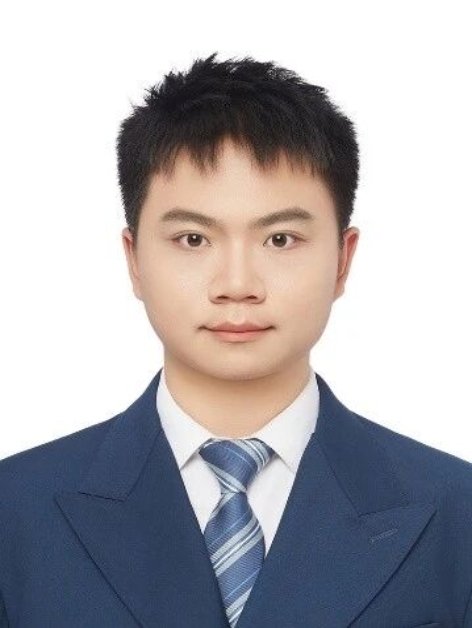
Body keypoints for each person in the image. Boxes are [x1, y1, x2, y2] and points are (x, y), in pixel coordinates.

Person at [0, 52, 471, 627]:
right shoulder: (14, 511)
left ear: (343, 261)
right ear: (135, 260)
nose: (237, 284)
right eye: (193, 239)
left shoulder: (457, 512)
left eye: (280, 239)